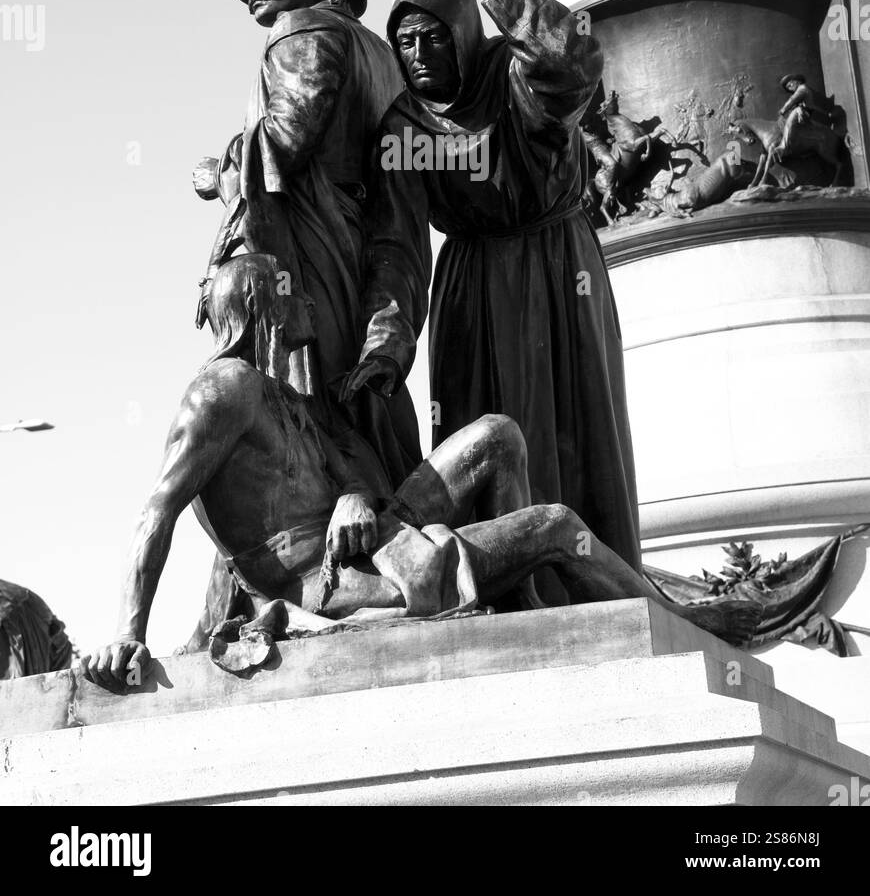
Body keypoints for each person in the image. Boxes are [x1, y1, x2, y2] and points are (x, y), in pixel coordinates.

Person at [80, 255, 755, 691]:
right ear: (270, 305)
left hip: (373, 543)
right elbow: (158, 510)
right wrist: (127, 635)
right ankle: (688, 623)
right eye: (299, 292)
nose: (315, 304)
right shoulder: (223, 390)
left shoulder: (287, 396)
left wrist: (354, 497)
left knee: (497, 437)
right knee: (554, 525)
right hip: (342, 585)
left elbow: (323, 492)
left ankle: (526, 614)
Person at [344, 0, 642, 600]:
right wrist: (385, 343)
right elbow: (396, 243)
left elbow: (577, 64)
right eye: (405, 42)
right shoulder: (406, 123)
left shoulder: (514, 76)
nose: (417, 56)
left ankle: (594, 589)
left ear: (463, 33)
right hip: (470, 287)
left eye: (432, 39)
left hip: (556, 266)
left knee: (573, 432)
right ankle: (501, 589)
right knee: (482, 431)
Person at [196, 0, 419, 492]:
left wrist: (224, 165)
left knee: (312, 403)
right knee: (360, 409)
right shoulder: (375, 47)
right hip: (359, 240)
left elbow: (288, 137)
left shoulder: (301, 31)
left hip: (312, 247)